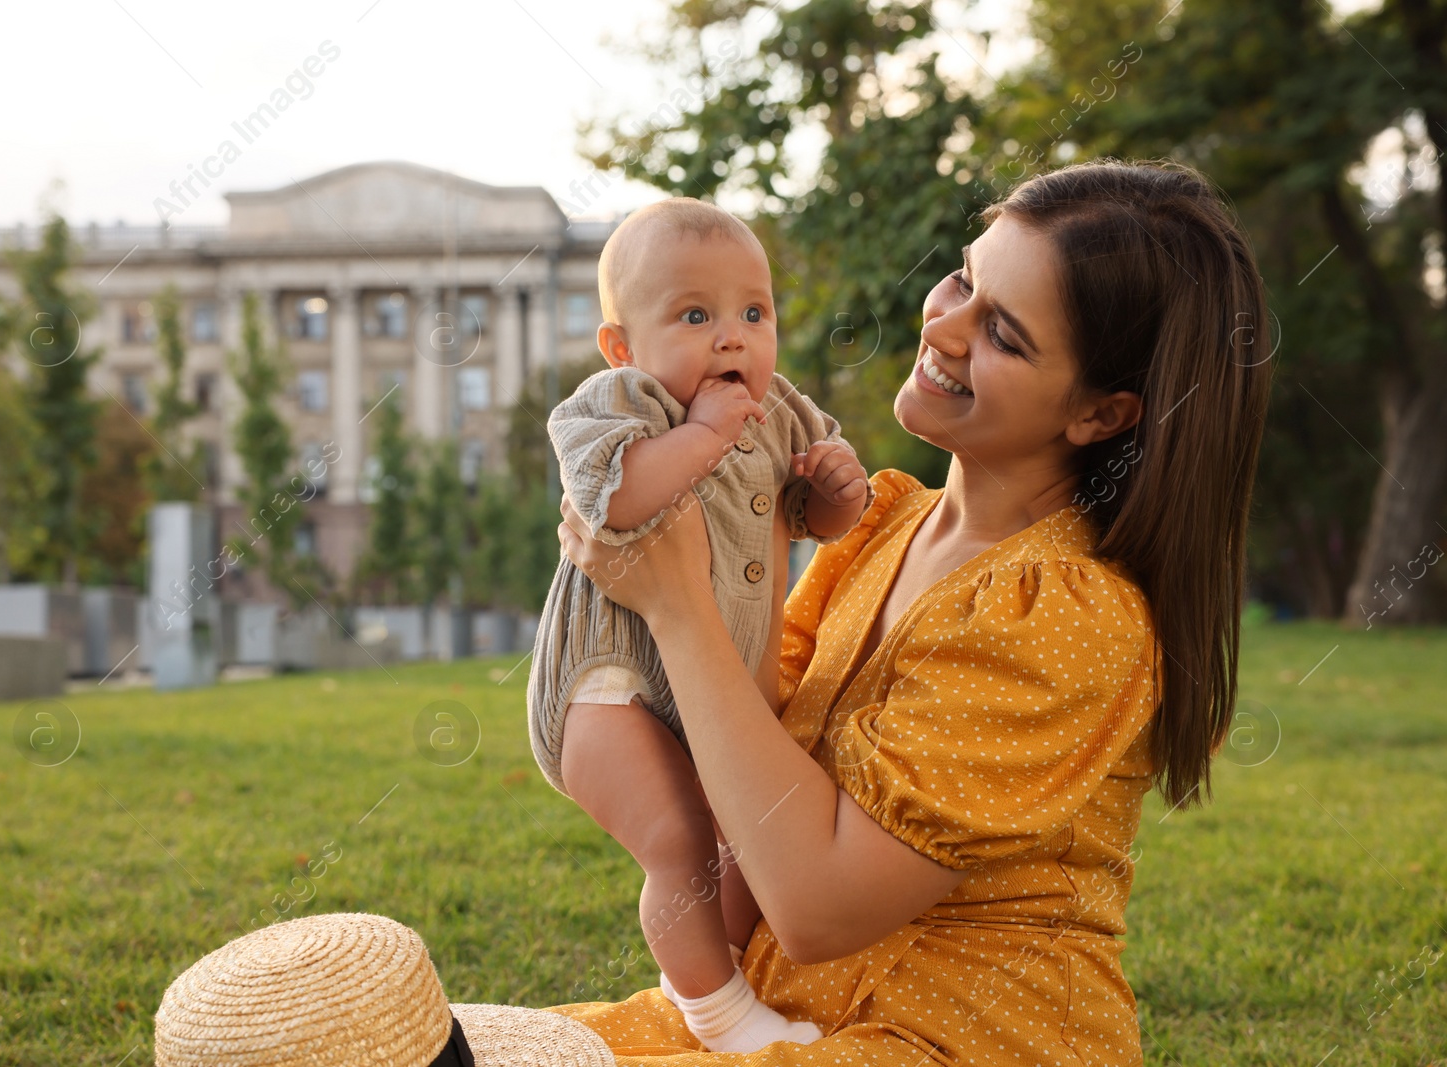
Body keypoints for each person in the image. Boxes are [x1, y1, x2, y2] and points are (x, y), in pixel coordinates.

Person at [538, 159, 1274, 1064]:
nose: (945, 324)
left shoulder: (1064, 611)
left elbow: (814, 905)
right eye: (965, 277)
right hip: (785, 1006)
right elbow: (754, 747)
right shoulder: (883, 524)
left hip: (955, 1034)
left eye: (1002, 331)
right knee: (444, 1041)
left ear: (1098, 412)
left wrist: (677, 603)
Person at [527, 197, 874, 1051]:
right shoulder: (618, 401)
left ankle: (707, 976)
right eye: (695, 315)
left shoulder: (781, 411)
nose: (732, 337)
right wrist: (708, 433)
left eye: (754, 313)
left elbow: (821, 520)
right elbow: (613, 500)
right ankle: (723, 1020)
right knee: (679, 841)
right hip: (607, 688)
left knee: (748, 841)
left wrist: (838, 486)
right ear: (624, 343)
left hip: (715, 686)